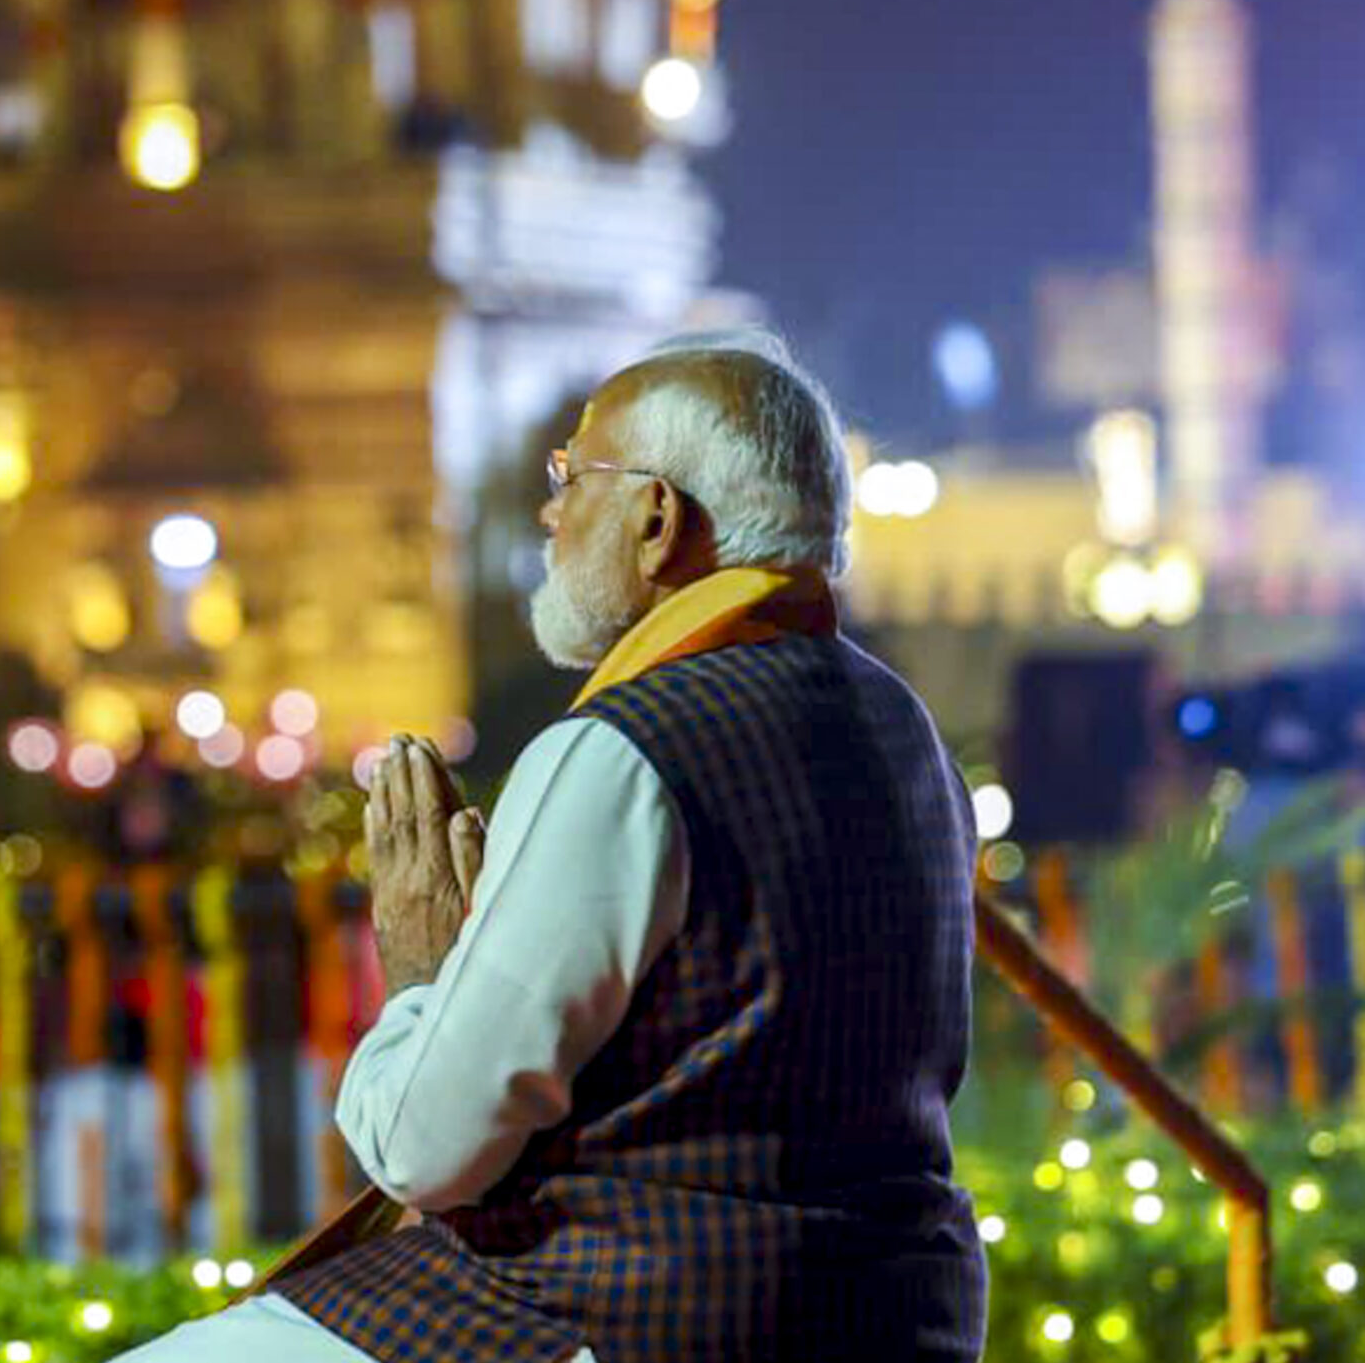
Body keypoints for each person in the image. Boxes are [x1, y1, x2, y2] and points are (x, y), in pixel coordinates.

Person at [123, 333, 984, 1363]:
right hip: (899, 1315)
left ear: (656, 518)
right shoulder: (902, 728)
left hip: (641, 1316)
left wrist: (421, 978)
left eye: (573, 476)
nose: (549, 512)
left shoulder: (621, 749)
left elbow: (423, 1149)